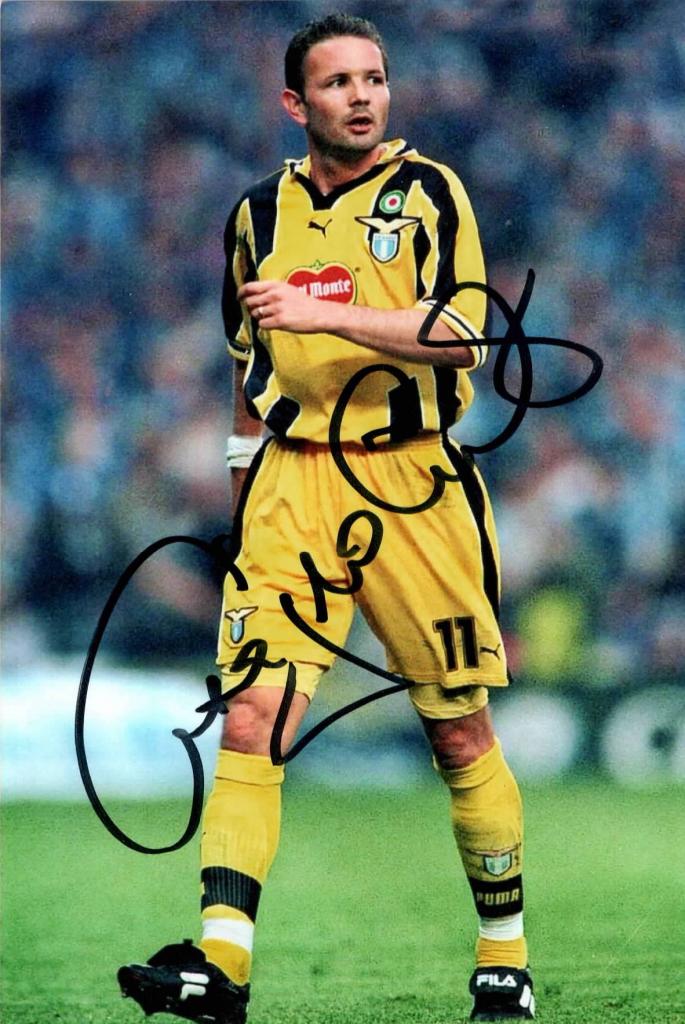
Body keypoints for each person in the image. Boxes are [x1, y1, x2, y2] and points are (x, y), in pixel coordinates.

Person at [118, 13, 534, 1023]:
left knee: (457, 730)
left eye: (373, 79)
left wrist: (326, 313)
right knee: (251, 715)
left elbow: (463, 331)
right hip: (291, 486)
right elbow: (244, 368)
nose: (361, 96)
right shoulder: (256, 214)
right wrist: (241, 493)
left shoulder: (428, 192)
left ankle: (504, 957)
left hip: (411, 482)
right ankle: (222, 966)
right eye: (338, 82)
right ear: (293, 103)